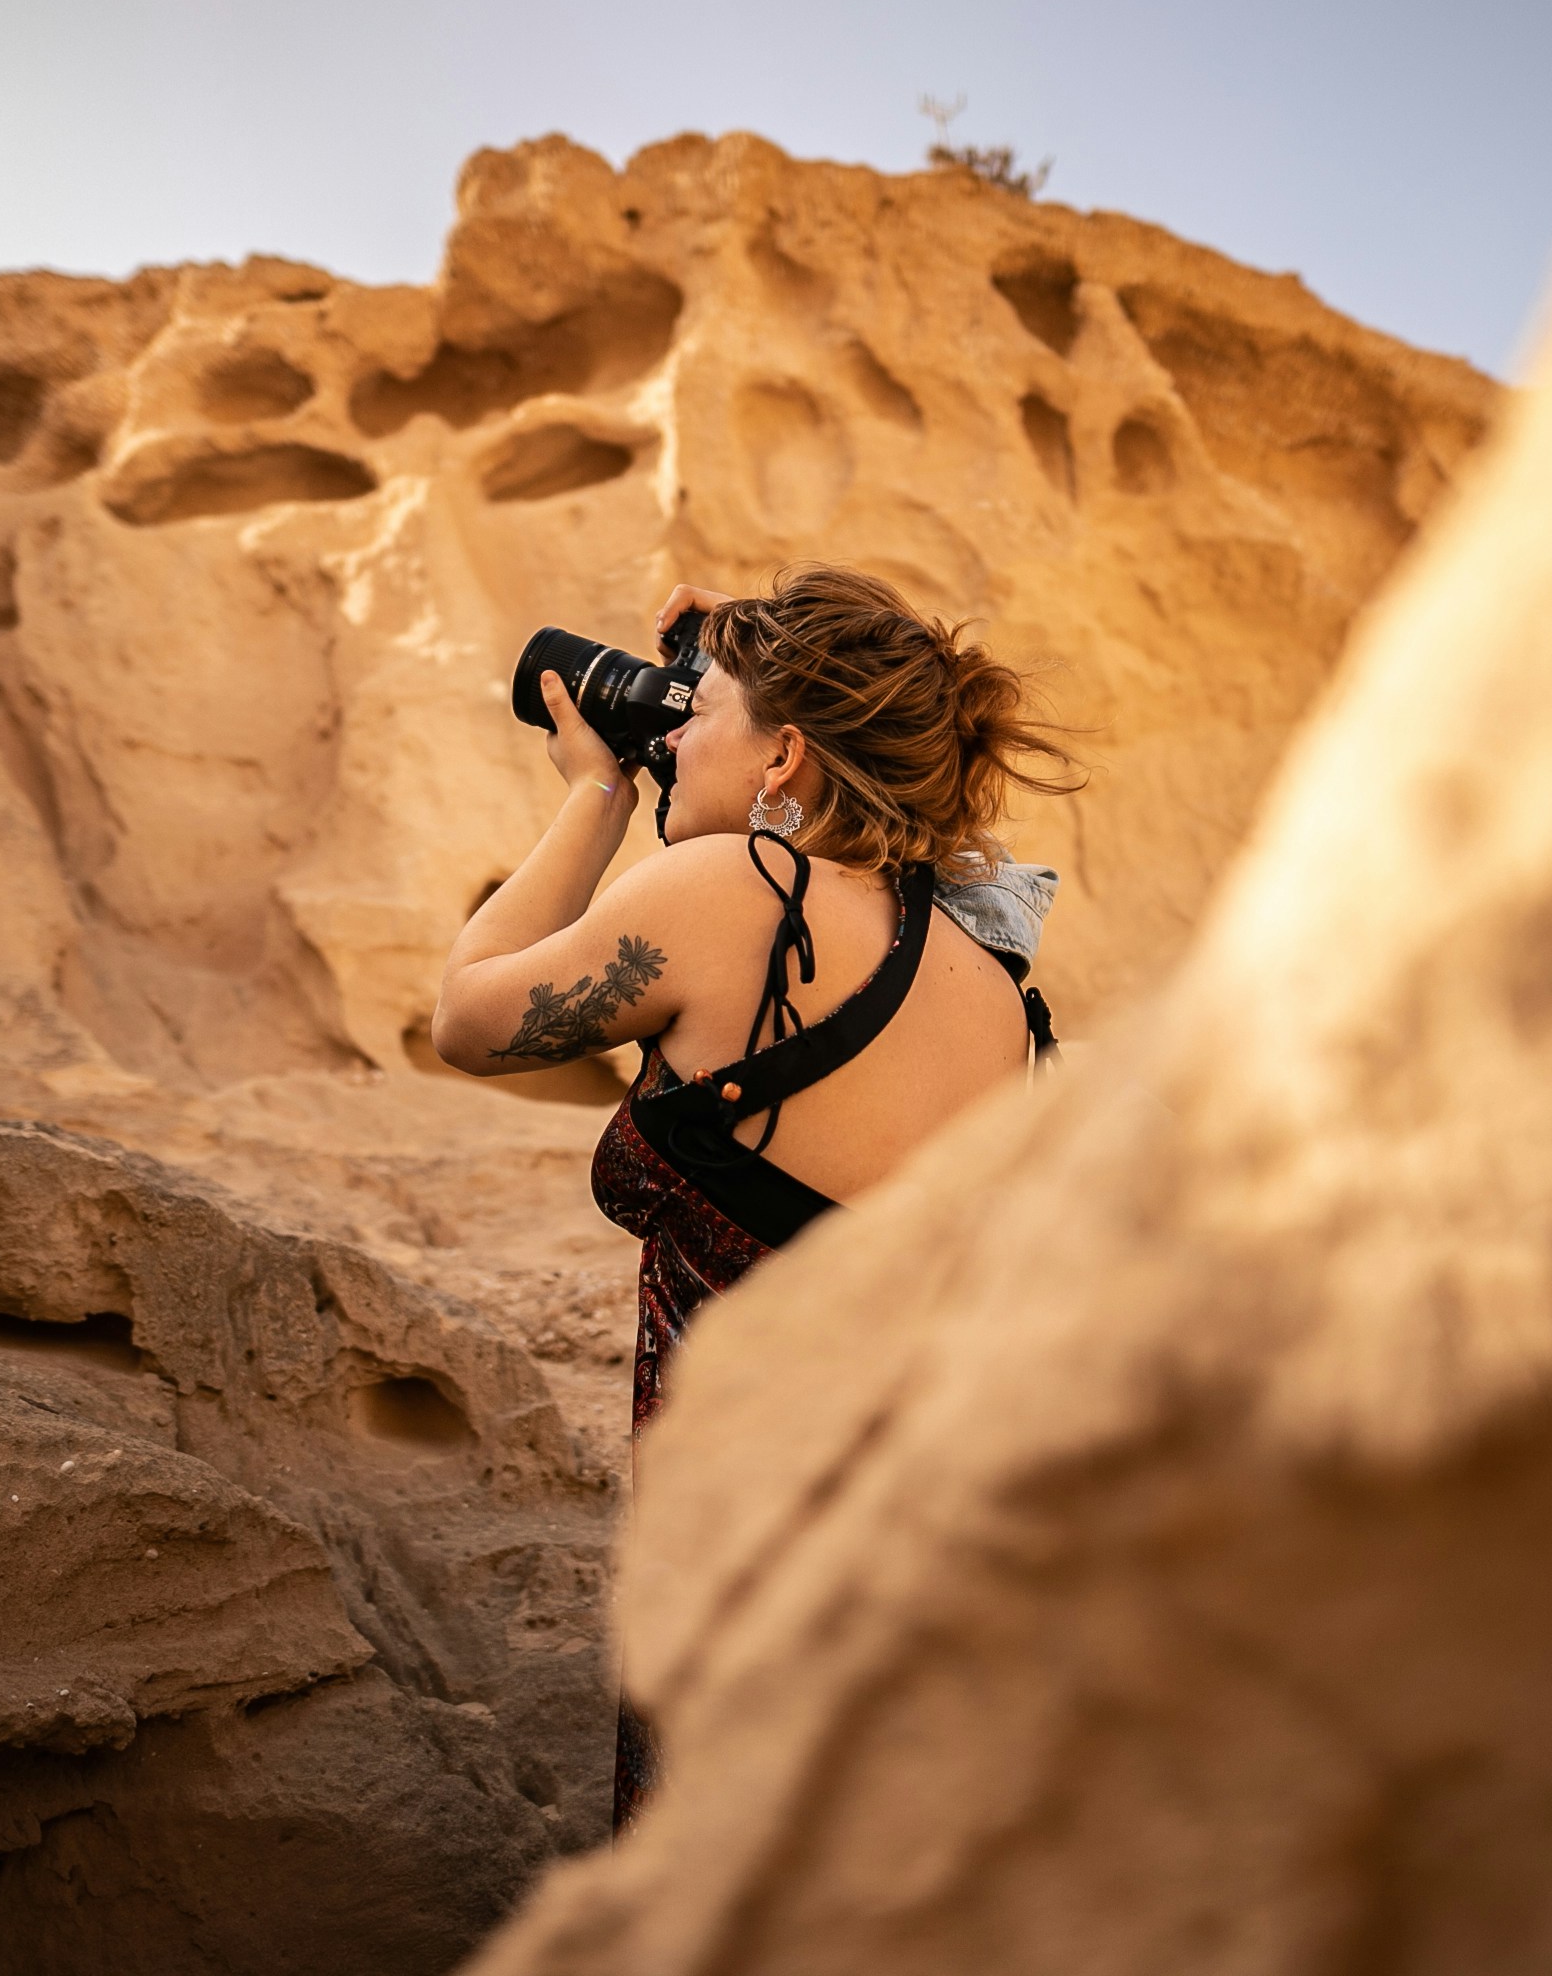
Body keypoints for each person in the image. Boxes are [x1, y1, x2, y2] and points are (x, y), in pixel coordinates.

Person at [430, 562, 1079, 1827]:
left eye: (700, 709)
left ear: (784, 756)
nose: (674, 728)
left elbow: (468, 1014)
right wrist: (745, 661)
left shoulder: (738, 896)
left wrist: (597, 791)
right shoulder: (994, 986)